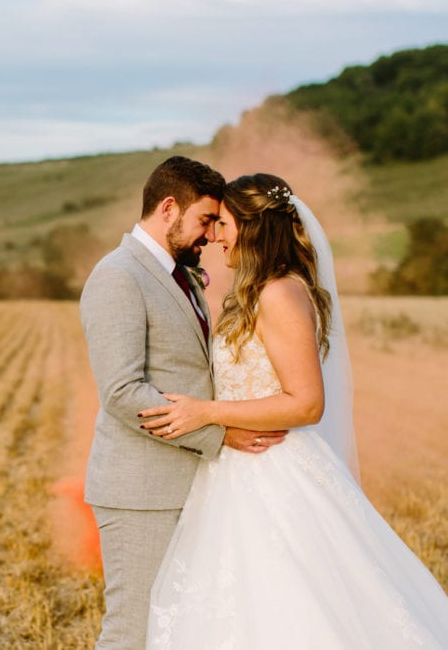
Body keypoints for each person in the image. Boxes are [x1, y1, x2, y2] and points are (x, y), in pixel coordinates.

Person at [140, 173, 448, 648]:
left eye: (223, 224)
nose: (215, 236)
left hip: (274, 471)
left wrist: (208, 412)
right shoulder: (259, 290)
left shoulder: (279, 293)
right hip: (235, 472)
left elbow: (306, 403)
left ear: (253, 225)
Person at [79, 156, 287, 649]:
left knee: (180, 630)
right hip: (141, 493)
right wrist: (219, 432)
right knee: (133, 631)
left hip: (191, 484)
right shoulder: (118, 276)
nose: (211, 235)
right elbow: (122, 392)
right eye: (205, 220)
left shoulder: (183, 274)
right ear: (169, 208)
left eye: (218, 223)